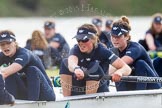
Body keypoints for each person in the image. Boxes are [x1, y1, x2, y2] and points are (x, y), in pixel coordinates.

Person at [60, 24, 131, 96]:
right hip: (80, 88)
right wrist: (76, 68)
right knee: (65, 62)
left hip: (99, 91)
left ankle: (88, 101)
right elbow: (71, 62)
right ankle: (66, 100)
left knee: (94, 66)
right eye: (78, 39)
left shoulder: (102, 51)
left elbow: (127, 68)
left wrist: (119, 72)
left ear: (93, 39)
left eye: (84, 39)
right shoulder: (76, 49)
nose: (80, 43)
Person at [0, 30, 55, 101]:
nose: (5, 46)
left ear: (14, 43)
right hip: (27, 91)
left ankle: (31, 104)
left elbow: (4, 73)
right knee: (11, 74)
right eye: (2, 44)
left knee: (32, 70)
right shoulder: (3, 55)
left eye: (8, 43)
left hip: (45, 94)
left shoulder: (24, 54)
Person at [110, 16, 161, 91]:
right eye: (113, 36)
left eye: (118, 36)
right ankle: (122, 96)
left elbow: (121, 63)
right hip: (133, 84)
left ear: (127, 37)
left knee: (139, 63)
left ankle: (139, 95)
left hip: (153, 86)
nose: (115, 39)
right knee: (117, 71)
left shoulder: (135, 48)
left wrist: (106, 71)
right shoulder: (112, 50)